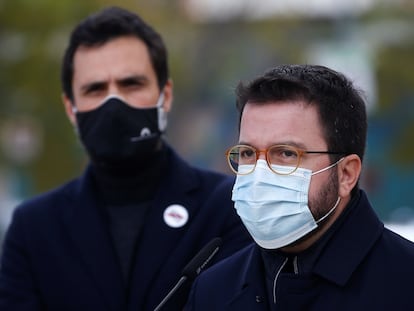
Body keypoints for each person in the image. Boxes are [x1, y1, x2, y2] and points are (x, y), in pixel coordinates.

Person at [0, 6, 251, 311]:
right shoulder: (33, 228)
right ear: (71, 108)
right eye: (95, 89)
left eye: (131, 84)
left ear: (165, 95)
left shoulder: (229, 208)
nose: (113, 103)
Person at [185, 64, 414, 310]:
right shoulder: (213, 290)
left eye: (286, 153)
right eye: (248, 153)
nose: (260, 174)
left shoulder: (404, 283)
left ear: (346, 174)